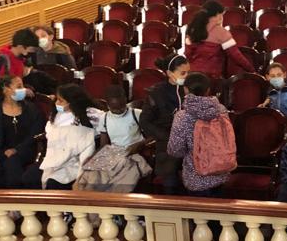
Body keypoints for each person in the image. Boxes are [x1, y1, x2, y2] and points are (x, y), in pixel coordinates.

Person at [166, 72, 236, 196]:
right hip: (222, 172)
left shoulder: (182, 116)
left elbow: (175, 150)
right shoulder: (221, 110)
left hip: (197, 178)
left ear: (186, 89)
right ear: (208, 90)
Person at [0, 75, 45, 189]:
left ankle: (15, 196)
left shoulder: (31, 109)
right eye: (19, 87)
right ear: (6, 89)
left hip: (26, 149)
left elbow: (36, 133)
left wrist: (16, 150)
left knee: (12, 162)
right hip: (2, 149)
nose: (23, 89)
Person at [23, 84, 96, 190]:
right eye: (57, 99)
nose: (56, 103)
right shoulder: (56, 115)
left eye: (61, 101)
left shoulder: (88, 116)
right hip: (54, 158)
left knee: (53, 183)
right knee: (29, 177)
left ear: (71, 102)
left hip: (73, 161)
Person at [139, 54, 190, 193]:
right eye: (183, 73)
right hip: (166, 141)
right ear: (169, 73)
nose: (187, 76)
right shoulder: (156, 93)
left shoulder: (190, 88)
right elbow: (145, 121)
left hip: (190, 140)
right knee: (170, 176)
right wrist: (165, 136)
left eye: (188, 72)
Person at [183, 1, 254, 79]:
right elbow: (235, 56)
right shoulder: (222, 33)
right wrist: (251, 70)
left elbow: (187, 54)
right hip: (212, 78)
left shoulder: (192, 29)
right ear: (219, 15)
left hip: (191, 76)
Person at [0, 28, 39, 94]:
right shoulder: (2, 59)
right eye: (32, 49)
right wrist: (20, 92)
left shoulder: (21, 59)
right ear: (21, 47)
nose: (33, 52)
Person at [95, 85, 144, 152]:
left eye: (121, 107)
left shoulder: (136, 114)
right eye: (114, 109)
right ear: (108, 105)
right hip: (116, 152)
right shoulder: (104, 118)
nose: (118, 111)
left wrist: (139, 144)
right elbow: (103, 145)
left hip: (137, 151)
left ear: (125, 100)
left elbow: (154, 135)